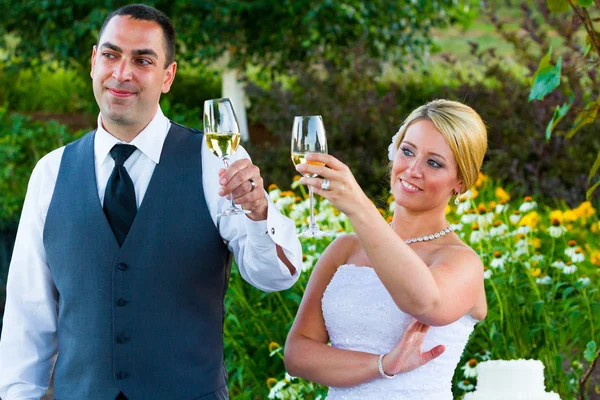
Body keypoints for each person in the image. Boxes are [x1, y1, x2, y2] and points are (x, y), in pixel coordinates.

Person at [0, 4, 301, 400]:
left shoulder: (216, 162)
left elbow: (276, 277)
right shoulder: (50, 173)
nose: (122, 73)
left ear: (168, 76)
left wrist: (260, 214)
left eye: (143, 60)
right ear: (94, 62)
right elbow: (28, 313)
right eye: (110, 55)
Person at [284, 99, 488, 399]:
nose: (413, 170)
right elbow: (297, 354)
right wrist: (383, 365)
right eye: (407, 152)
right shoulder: (344, 250)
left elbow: (424, 302)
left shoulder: (462, 262)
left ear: (460, 182)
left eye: (434, 163)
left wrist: (360, 209)